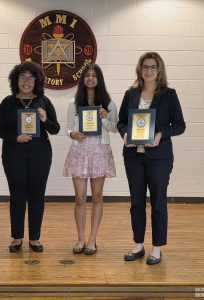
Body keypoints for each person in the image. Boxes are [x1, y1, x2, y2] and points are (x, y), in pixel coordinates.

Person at [117, 52, 185, 265]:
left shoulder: (169, 94)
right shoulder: (131, 94)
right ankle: (138, 245)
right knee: (136, 202)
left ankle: (156, 248)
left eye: (153, 67)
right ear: (140, 69)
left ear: (159, 69)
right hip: (133, 157)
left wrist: (160, 135)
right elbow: (121, 122)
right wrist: (125, 134)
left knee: (158, 203)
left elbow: (180, 125)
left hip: (159, 158)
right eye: (145, 66)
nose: (148, 70)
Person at [0, 61, 60, 253]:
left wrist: (44, 120)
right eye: (22, 77)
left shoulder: (44, 101)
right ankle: (17, 237)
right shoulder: (8, 102)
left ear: (36, 81)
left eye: (30, 77)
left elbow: (55, 129)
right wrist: (16, 138)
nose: (26, 81)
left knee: (37, 196)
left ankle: (34, 238)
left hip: (40, 154)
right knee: (17, 196)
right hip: (13, 153)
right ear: (16, 80)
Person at [62, 64, 117, 255]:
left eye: (94, 75)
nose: (91, 78)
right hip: (79, 152)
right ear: (83, 79)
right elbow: (68, 128)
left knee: (97, 196)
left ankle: (92, 239)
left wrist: (103, 117)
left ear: (99, 79)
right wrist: (72, 134)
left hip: (100, 151)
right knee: (79, 198)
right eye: (87, 75)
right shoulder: (73, 102)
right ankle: (80, 238)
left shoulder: (109, 103)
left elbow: (114, 128)